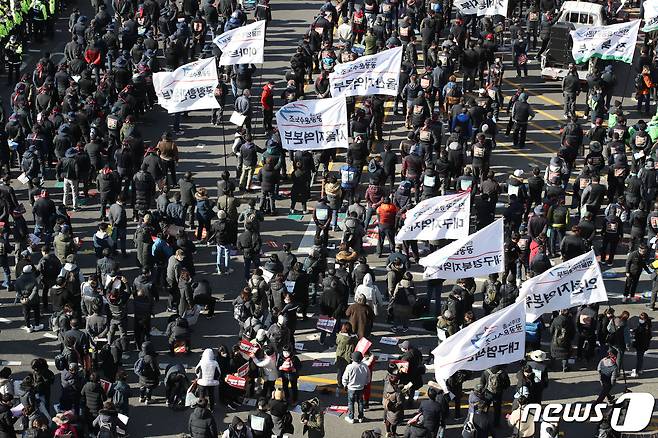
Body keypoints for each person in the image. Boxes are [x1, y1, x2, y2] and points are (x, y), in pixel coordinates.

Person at [342, 351, 370, 423]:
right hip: (361, 388)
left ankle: (351, 418)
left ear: (352, 359)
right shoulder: (365, 366)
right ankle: (361, 417)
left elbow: (345, 378)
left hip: (351, 388)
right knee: (360, 402)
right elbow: (368, 378)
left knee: (351, 403)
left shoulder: (349, 367)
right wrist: (365, 383)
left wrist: (345, 385)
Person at [631, 312, 652, 377]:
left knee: (639, 358)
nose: (640, 319)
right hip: (644, 345)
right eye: (640, 318)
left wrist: (634, 334)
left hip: (640, 345)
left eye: (641, 318)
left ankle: (637, 371)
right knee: (640, 358)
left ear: (645, 319)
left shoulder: (643, 327)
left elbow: (639, 335)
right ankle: (639, 369)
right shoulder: (647, 325)